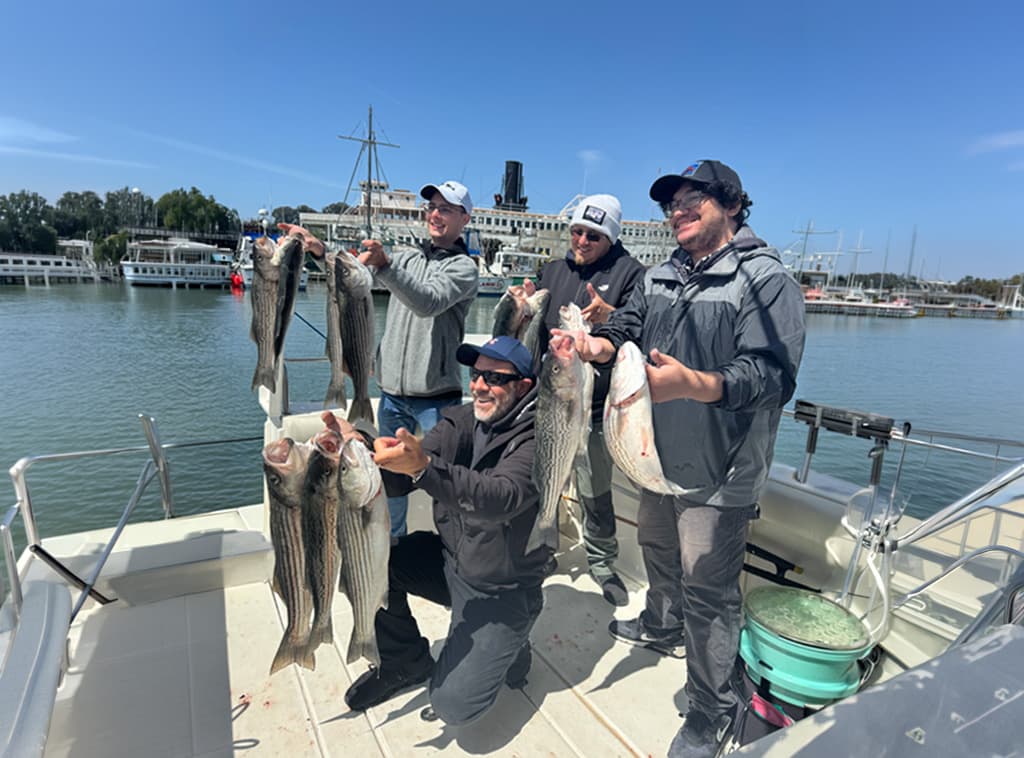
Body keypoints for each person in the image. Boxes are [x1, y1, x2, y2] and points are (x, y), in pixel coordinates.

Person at [554, 160, 805, 758]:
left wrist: (696, 384)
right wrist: (597, 345)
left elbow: (772, 376)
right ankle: (662, 623)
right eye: (672, 203)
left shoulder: (765, 280)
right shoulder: (661, 275)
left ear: (733, 205)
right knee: (656, 547)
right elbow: (630, 327)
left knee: (709, 592)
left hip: (721, 472)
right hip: (654, 455)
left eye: (695, 199)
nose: (679, 211)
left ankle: (709, 712)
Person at [342, 335, 554, 727]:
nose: (479, 385)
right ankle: (405, 662)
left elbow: (500, 498)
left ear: (524, 386)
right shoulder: (461, 419)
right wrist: (363, 452)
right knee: (370, 567)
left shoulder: (541, 438)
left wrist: (424, 468)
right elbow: (403, 478)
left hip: (502, 586)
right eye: (475, 374)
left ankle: (515, 637)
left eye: (494, 378)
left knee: (452, 706)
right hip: (452, 560)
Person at [528, 193, 645, 606]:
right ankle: (542, 550)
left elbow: (641, 329)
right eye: (576, 231)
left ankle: (601, 562)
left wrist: (609, 314)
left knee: (595, 490)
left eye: (593, 235)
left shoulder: (630, 273)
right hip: (548, 399)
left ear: (610, 238)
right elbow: (535, 333)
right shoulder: (552, 270)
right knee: (543, 475)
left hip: (596, 407)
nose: (581, 241)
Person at [357, 180, 479, 537]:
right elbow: (360, 278)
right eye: (432, 208)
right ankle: (394, 544)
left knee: (444, 478)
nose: (435, 215)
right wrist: (319, 254)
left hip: (437, 398)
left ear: (464, 219)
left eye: (446, 209)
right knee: (391, 479)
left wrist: (386, 266)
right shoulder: (407, 257)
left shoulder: (464, 268)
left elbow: (428, 301)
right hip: (392, 395)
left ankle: (454, 545)